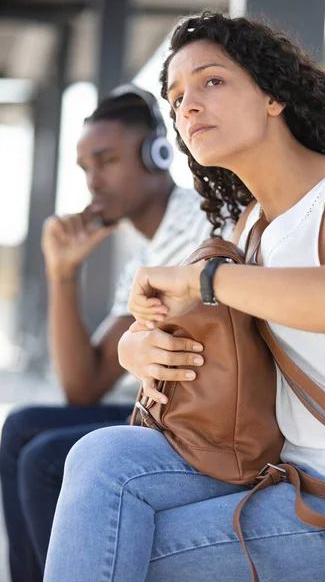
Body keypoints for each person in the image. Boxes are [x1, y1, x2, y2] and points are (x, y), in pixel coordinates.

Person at [43, 12, 325, 582]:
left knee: (119, 549)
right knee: (97, 455)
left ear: (273, 96)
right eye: (177, 96)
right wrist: (139, 346)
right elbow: (200, 338)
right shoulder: (248, 229)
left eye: (212, 81)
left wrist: (201, 280)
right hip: (279, 469)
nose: (188, 105)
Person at [0, 84, 225, 582]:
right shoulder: (145, 244)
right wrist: (62, 272)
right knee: (19, 428)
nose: (93, 181)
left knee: (42, 458)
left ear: (157, 154)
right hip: (149, 404)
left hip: (189, 416)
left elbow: (90, 386)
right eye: (85, 168)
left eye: (105, 160)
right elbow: (84, 386)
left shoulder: (197, 222)